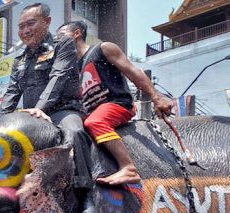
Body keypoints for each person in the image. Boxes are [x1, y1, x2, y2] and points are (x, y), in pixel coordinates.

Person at [59, 20, 174, 185]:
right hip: (92, 111)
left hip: (117, 104)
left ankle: (129, 168)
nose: (57, 41)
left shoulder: (103, 49)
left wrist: (156, 97)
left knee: (95, 122)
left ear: (77, 33)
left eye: (61, 36)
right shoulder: (73, 67)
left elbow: (133, 71)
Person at [0, 3, 90, 187]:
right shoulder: (20, 59)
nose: (25, 30)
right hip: (32, 118)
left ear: (47, 22)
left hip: (62, 111)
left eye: (31, 24)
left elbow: (58, 77)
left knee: (75, 132)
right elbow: (12, 91)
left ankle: (85, 190)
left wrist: (39, 109)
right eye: (21, 26)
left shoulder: (63, 44)